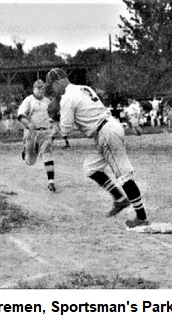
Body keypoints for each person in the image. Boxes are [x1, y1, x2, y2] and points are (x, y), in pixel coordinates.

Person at [45, 68, 150, 228]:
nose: (52, 90)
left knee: (123, 175)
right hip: (108, 128)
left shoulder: (67, 98)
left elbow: (66, 130)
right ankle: (120, 199)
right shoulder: (84, 88)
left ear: (58, 82)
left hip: (105, 132)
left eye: (52, 86)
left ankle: (141, 217)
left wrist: (56, 115)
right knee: (90, 167)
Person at [18, 80, 57, 192]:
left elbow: (52, 116)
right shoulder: (29, 100)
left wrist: (53, 126)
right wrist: (28, 124)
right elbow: (21, 115)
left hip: (45, 132)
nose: (41, 90)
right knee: (30, 161)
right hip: (31, 133)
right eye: (39, 88)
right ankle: (26, 150)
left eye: (43, 88)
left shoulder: (47, 101)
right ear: (34, 89)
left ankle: (51, 182)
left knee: (47, 155)